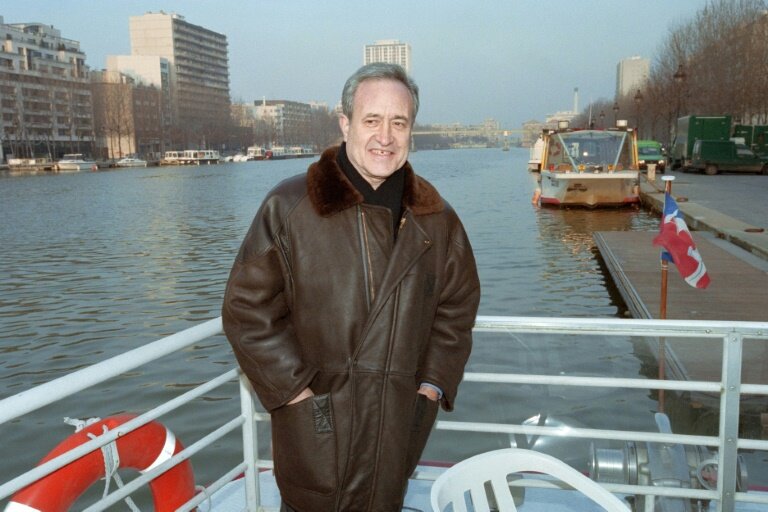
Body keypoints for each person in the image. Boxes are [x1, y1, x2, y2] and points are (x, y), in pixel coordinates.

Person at [222, 62, 481, 511]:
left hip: (396, 430)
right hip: (316, 437)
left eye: (398, 122)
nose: (386, 136)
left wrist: (432, 387)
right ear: (345, 124)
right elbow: (246, 312)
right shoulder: (290, 207)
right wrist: (300, 397)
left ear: (411, 130)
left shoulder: (438, 219)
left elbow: (456, 309)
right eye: (372, 120)